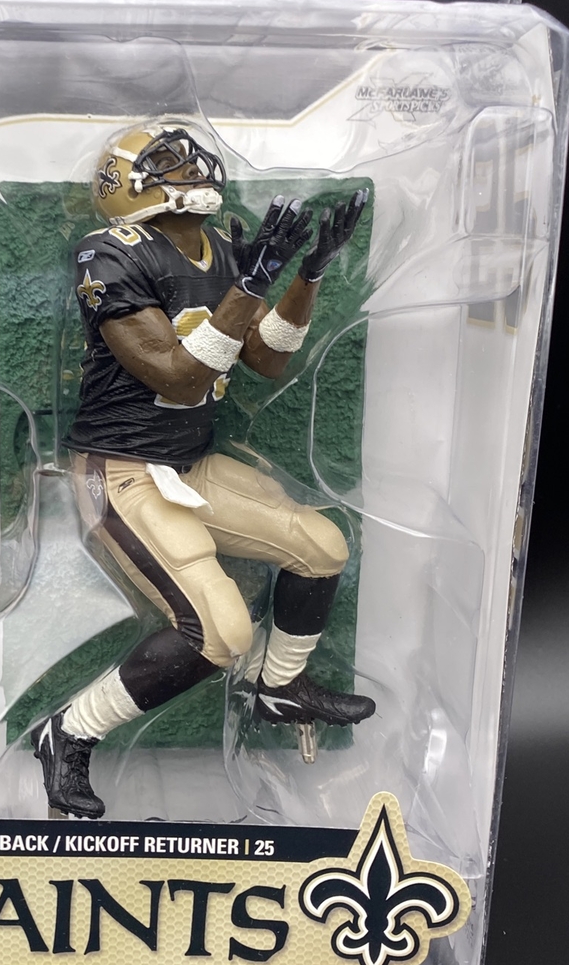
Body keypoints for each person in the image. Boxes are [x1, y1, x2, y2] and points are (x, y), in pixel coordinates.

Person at [31, 121, 375, 819]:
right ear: (123, 183)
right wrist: (247, 284)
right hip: (122, 470)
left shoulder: (218, 245)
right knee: (220, 633)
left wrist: (306, 275)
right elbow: (176, 375)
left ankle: (279, 688)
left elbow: (267, 357)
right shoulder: (109, 252)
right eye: (168, 163)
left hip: (189, 463)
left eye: (190, 160)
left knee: (321, 546)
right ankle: (69, 730)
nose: (191, 171)